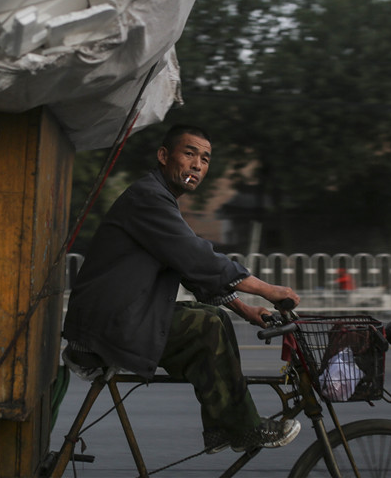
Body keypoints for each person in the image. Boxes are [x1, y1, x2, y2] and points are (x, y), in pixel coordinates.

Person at [62, 124, 302, 453]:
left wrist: (245, 309)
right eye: (189, 154)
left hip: (118, 317)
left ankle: (222, 427)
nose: (197, 165)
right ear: (163, 156)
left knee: (215, 318)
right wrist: (266, 289)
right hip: (107, 326)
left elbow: (188, 266)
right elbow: (197, 257)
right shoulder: (149, 198)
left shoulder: (159, 199)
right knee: (206, 327)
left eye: (205, 159)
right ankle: (242, 428)